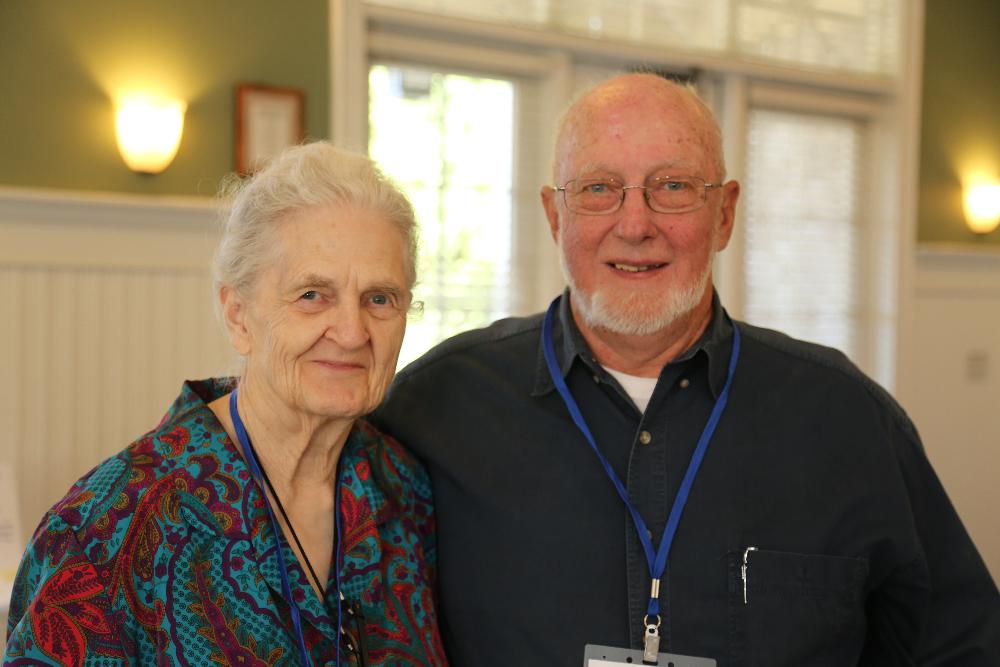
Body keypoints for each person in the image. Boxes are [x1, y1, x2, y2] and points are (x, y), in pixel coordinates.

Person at [371, 73, 1000, 665]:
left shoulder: (850, 422)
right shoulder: (435, 409)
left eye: (672, 187)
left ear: (724, 215)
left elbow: (963, 650)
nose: (635, 225)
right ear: (555, 216)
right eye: (598, 189)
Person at [3, 142, 449, 666]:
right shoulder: (104, 534)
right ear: (238, 315)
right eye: (312, 295)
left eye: (380, 298)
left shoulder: (406, 491)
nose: (352, 333)